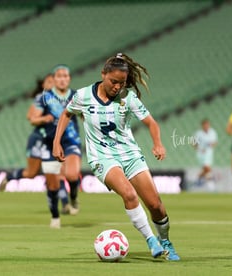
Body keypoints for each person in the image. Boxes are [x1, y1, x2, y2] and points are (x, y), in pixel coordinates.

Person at [52, 53, 180, 260]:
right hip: (102, 157)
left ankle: (165, 240)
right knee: (129, 194)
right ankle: (151, 241)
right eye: (113, 81)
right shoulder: (83, 96)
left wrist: (157, 143)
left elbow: (151, 123)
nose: (117, 87)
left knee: (155, 204)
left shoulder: (128, 98)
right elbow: (67, 113)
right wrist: (56, 142)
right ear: (103, 75)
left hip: (129, 154)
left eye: (121, 83)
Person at [0, 74, 72, 214]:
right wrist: (44, 118)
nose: (53, 84)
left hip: (54, 140)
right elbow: (31, 118)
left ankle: (65, 205)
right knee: (31, 173)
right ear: (44, 85)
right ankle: (10, 176)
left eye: (54, 81)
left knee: (59, 172)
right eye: (49, 82)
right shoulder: (43, 100)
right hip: (39, 140)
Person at [33, 65, 82, 228]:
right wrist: (42, 119)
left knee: (72, 175)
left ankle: (74, 197)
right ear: (54, 79)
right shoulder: (44, 97)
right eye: (59, 76)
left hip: (71, 141)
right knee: (53, 184)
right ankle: (55, 216)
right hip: (49, 143)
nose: (62, 79)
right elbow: (33, 118)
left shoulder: (77, 96)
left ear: (69, 79)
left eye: (65, 76)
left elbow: (84, 115)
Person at [193, 119, 218, 186]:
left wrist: (212, 144)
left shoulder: (212, 132)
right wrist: (199, 149)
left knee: (206, 168)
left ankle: (198, 178)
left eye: (207, 124)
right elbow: (194, 143)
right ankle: (210, 180)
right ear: (202, 125)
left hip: (209, 153)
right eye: (205, 125)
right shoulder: (198, 133)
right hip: (201, 153)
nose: (206, 126)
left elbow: (215, 142)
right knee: (206, 168)